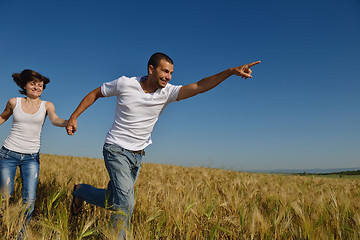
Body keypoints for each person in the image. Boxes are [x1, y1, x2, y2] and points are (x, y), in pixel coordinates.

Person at [66, 52, 260, 238]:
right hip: (115, 149)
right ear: (151, 69)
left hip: (137, 155)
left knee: (112, 200)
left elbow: (200, 85)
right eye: (165, 71)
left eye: (171, 73)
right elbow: (95, 93)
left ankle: (80, 190)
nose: (168, 77)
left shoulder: (168, 92)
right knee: (126, 203)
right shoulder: (125, 83)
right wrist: (74, 117)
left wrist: (230, 71)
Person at [0, 69, 68, 238]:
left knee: (29, 199)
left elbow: (55, 119)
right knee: (5, 197)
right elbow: (2, 117)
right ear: (24, 85)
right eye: (33, 84)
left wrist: (68, 122)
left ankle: (20, 235)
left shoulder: (47, 105)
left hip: (31, 158)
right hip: (8, 154)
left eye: (40, 85)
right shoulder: (13, 102)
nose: (37, 87)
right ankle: (4, 229)